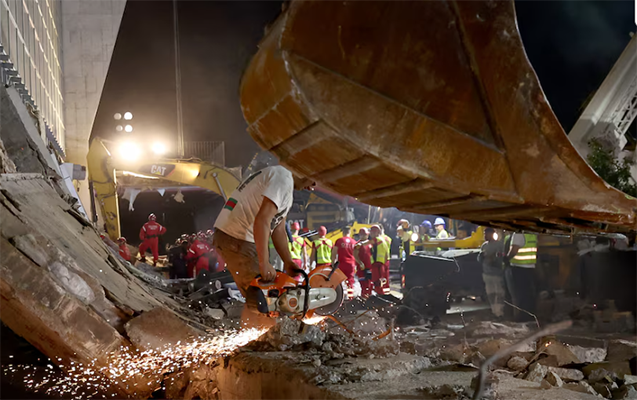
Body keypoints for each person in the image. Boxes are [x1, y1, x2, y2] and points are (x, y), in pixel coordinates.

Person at [212, 165, 315, 328]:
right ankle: (269, 340)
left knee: (256, 295)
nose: (314, 185)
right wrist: (264, 263)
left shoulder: (284, 184)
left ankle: (253, 337)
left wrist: (288, 261)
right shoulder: (282, 177)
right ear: (303, 168)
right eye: (314, 178)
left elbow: (278, 229)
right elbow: (262, 220)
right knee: (265, 295)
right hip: (238, 238)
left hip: (236, 237)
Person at [504, 232, 538, 322]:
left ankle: (523, 317)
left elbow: (514, 250)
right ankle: (530, 316)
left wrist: (506, 258)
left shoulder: (518, 234)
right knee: (528, 294)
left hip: (519, 267)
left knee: (520, 294)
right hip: (530, 266)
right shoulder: (531, 234)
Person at [477, 228, 505, 319]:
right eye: (484, 234)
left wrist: (495, 259)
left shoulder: (499, 245)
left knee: (499, 293)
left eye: (487, 234)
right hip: (487, 274)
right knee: (491, 294)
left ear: (492, 234)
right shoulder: (484, 246)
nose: (485, 236)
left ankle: (500, 312)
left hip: (497, 273)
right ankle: (494, 311)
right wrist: (481, 257)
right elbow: (479, 260)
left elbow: (502, 257)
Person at [333, 226, 357, 299]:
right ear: (349, 232)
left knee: (339, 281)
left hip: (342, 263)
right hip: (351, 264)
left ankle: (339, 298)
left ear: (343, 232)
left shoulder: (339, 241)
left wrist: (333, 263)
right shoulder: (354, 242)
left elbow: (334, 252)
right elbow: (356, 254)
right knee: (350, 281)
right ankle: (350, 297)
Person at [370, 225, 391, 295]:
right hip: (386, 260)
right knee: (385, 280)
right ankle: (386, 295)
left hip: (377, 262)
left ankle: (380, 295)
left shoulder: (377, 239)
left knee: (377, 281)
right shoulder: (388, 238)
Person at [354, 227, 373, 298]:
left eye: (364, 235)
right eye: (362, 235)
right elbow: (355, 255)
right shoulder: (358, 245)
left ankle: (368, 297)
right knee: (364, 284)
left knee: (370, 284)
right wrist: (360, 263)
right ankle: (364, 297)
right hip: (362, 268)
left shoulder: (369, 243)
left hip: (369, 267)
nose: (363, 236)